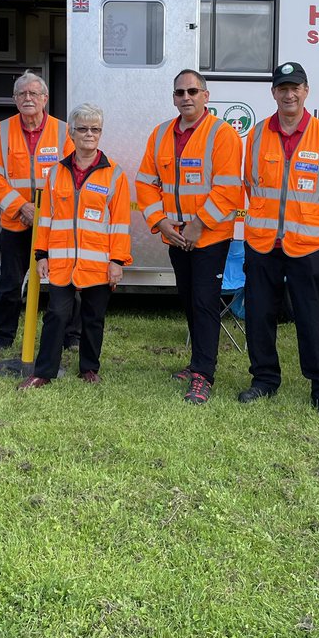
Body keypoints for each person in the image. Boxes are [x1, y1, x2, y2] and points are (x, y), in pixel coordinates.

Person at [240, 61, 319, 419]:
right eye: (283, 88)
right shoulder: (257, 134)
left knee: (314, 318)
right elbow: (250, 184)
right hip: (263, 243)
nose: (289, 94)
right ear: (273, 93)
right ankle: (264, 380)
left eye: (295, 88)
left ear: (306, 91)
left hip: (309, 244)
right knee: (259, 315)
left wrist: (310, 225)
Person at [135, 69, 243, 404]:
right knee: (188, 300)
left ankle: (203, 376)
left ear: (205, 96)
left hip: (209, 237)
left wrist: (198, 225)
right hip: (175, 236)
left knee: (204, 303)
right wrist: (160, 221)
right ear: (173, 98)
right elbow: (145, 182)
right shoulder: (160, 134)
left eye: (193, 91)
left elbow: (228, 188)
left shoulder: (222, 134)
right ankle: (196, 362)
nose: (186, 97)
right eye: (180, 92)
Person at [19, 103, 131, 389]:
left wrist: (117, 261)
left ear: (100, 133)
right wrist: (41, 254)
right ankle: (44, 372)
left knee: (93, 319)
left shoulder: (114, 174)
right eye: (83, 129)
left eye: (95, 129)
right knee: (56, 315)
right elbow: (46, 218)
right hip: (61, 262)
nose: (89, 134)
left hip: (98, 263)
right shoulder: (56, 173)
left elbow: (120, 222)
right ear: (71, 133)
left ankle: (89, 369)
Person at [0, 72, 73, 352]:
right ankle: (2, 337)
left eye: (34, 93)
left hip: (54, 224)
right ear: (14, 99)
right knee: (10, 283)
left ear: (45, 98)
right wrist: (21, 206)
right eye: (22, 93)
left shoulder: (63, 131)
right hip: (16, 222)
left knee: (65, 281)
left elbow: (72, 177)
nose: (28, 98)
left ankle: (71, 336)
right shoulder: (0, 131)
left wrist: (43, 212)